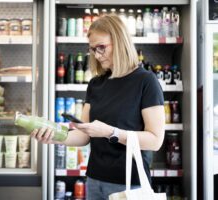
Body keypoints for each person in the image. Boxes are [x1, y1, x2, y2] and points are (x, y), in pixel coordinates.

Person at [31, 14, 165, 200]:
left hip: (129, 184)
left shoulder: (146, 81)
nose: (97, 55)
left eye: (101, 47)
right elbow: (84, 134)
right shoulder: (96, 84)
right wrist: (54, 136)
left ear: (120, 41)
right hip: (94, 179)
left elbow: (155, 140)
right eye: (93, 49)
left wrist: (111, 132)